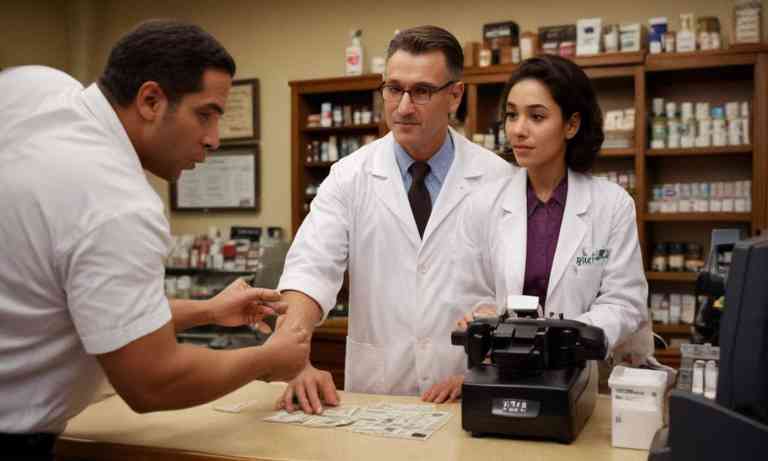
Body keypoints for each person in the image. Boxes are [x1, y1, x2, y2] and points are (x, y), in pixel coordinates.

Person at [0, 20, 309, 460]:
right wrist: (269, 359)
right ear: (150, 100)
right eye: (205, 114)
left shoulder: (37, 88)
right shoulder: (117, 202)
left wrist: (207, 310)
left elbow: (85, 305)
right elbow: (152, 380)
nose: (214, 140)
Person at [275, 25, 514, 414]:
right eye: (393, 89)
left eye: (421, 91)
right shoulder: (349, 176)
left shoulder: (499, 180)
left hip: (467, 390)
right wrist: (292, 359)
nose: (403, 107)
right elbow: (309, 272)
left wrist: (488, 367)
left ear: (455, 95)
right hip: (376, 394)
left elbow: (518, 291)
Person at [428, 54, 654, 401]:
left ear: (571, 125)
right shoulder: (482, 204)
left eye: (536, 116)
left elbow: (624, 301)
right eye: (512, 115)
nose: (519, 129)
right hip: (501, 375)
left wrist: (563, 338)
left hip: (580, 378)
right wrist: (482, 316)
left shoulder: (612, 205)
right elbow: (470, 293)